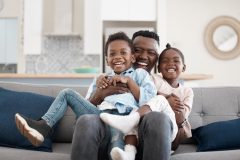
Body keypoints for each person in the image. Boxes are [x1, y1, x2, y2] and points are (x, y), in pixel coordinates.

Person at [14, 31, 157, 158]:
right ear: (107, 60)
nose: (117, 57)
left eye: (123, 52)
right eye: (112, 54)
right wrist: (100, 94)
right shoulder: (101, 79)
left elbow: (150, 99)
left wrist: (130, 82)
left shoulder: (139, 75)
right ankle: (43, 126)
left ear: (132, 58)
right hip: (100, 117)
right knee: (67, 93)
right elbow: (88, 106)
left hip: (124, 118)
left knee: (116, 147)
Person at [71, 30, 193, 160]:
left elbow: (175, 138)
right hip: (105, 139)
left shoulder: (161, 84)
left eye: (151, 53)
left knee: (158, 118)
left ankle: (129, 147)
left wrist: (168, 105)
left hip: (148, 145)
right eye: (138, 50)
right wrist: (99, 95)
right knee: (86, 120)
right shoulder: (106, 79)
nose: (143, 56)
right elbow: (82, 113)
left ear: (157, 59)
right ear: (131, 53)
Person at [99, 43, 194, 160]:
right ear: (158, 68)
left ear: (184, 67)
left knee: (159, 100)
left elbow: (181, 116)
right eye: (165, 61)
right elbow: (145, 95)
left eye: (176, 61)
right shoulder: (154, 79)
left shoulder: (187, 91)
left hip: (171, 130)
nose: (170, 64)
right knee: (135, 109)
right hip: (144, 128)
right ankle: (129, 153)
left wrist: (164, 99)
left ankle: (131, 119)